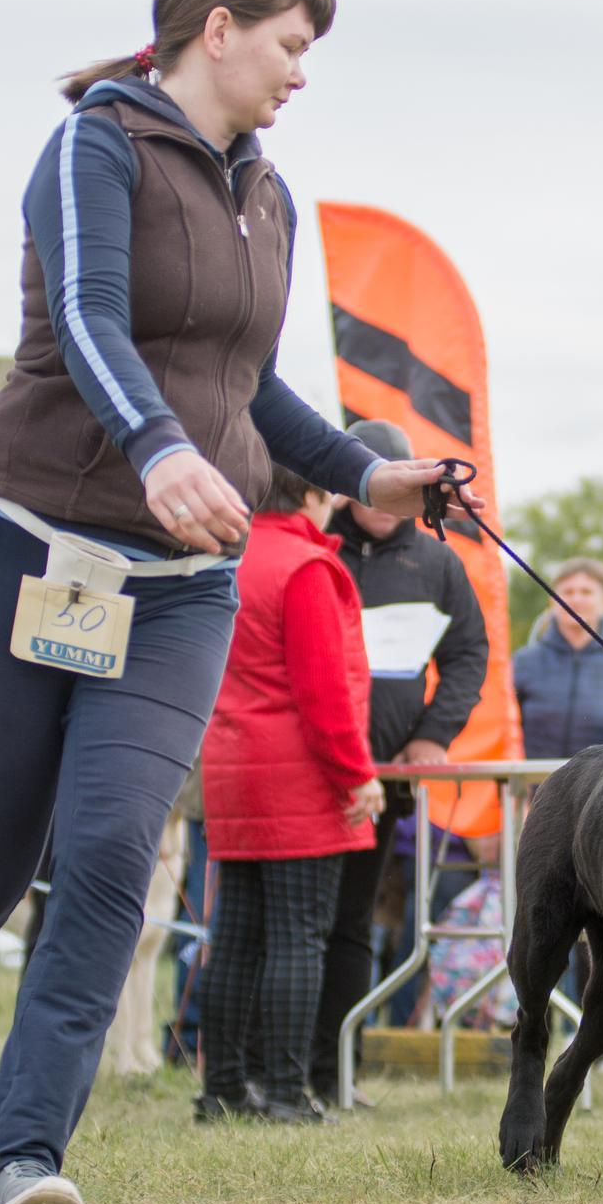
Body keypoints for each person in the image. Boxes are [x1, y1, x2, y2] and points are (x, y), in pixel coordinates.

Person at [0, 0, 475, 1204]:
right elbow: (84, 315)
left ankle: (19, 1162)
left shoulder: (269, 196)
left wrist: (370, 480)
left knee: (108, 856)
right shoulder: (96, 146)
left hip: (180, 586)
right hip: (24, 549)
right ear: (219, 29)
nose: (302, 75)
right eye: (293, 47)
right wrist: (153, 445)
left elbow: (247, 388)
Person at [311, 417, 490, 1104]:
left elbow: (469, 654)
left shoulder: (439, 562)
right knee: (300, 922)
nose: (381, 507)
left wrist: (433, 734)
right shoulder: (318, 545)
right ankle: (280, 1069)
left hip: (386, 780)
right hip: (310, 768)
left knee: (353, 920)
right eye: (368, 490)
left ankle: (336, 1075)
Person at [197, 467, 381, 1124]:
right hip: (298, 776)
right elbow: (324, 691)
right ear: (313, 491)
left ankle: (220, 1089)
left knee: (237, 936)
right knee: (300, 937)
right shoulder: (306, 568)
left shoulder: (230, 557)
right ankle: (283, 1092)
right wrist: (357, 774)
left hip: (232, 766)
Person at [512, 558, 603, 759]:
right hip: (535, 788)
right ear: (552, 600)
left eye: (586, 592)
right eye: (568, 592)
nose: (576, 599)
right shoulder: (524, 661)